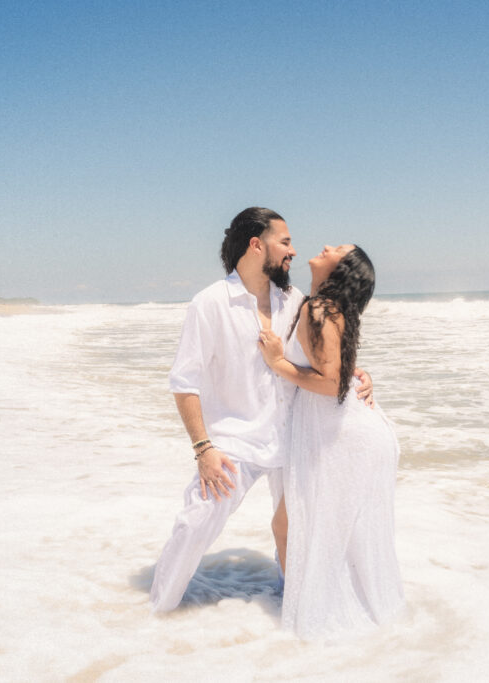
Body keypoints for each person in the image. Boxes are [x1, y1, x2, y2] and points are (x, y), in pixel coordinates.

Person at [149, 208, 372, 612]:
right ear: (257, 245)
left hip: (295, 435)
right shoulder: (210, 303)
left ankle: (294, 611)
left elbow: (323, 356)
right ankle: (155, 613)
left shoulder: (295, 301)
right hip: (236, 441)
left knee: (299, 533)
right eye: (285, 242)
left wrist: (357, 375)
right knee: (195, 523)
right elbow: (184, 383)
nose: (293, 251)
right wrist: (204, 449)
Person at [258, 244, 404, 639]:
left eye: (338, 249)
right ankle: (313, 606)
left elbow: (331, 383)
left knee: (289, 526)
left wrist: (277, 364)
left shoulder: (319, 308)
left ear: (342, 268)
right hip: (341, 432)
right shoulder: (325, 307)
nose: (326, 246)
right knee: (321, 530)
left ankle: (305, 617)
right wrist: (359, 372)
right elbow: (338, 369)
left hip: (339, 436)